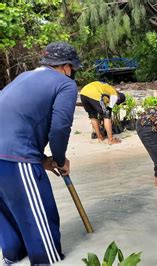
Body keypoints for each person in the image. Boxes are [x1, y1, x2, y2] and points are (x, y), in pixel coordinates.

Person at [0, 41, 81, 264]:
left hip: (11, 154)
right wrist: (59, 158)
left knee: (10, 222)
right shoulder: (65, 84)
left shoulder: (23, 77)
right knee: (42, 224)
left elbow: (16, 120)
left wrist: (43, 160)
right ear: (66, 66)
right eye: (73, 69)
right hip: (16, 157)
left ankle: (13, 258)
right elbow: (60, 127)